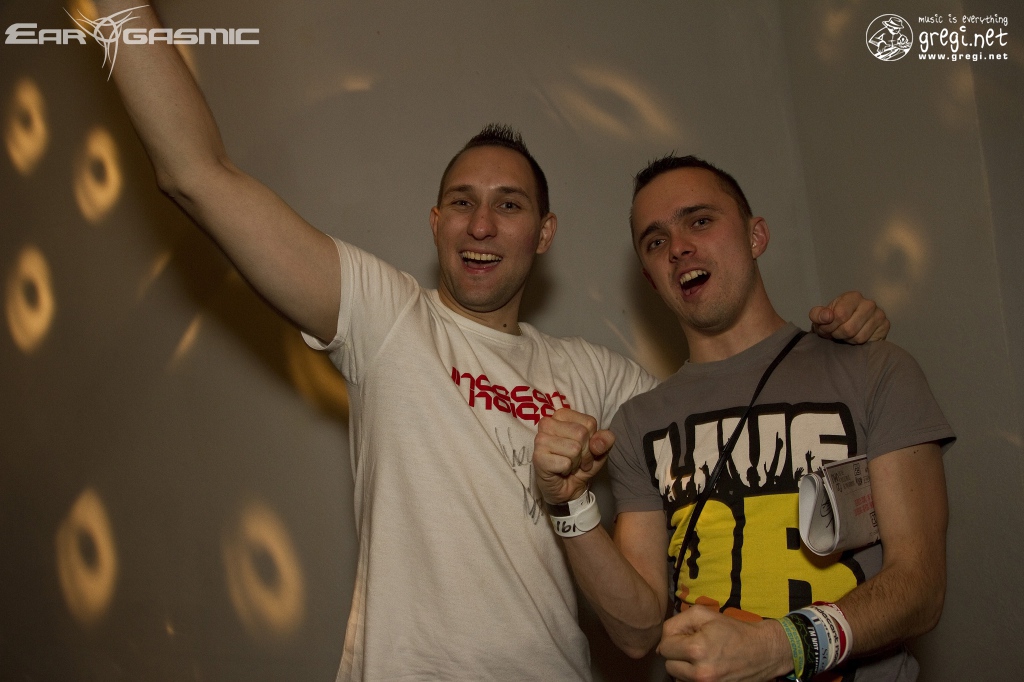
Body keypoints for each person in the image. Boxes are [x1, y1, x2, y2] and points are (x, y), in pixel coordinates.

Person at [95, 1, 891, 678]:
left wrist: (838, 339)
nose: (481, 224)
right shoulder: (385, 317)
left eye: (509, 205)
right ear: (435, 222)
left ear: (544, 233)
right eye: (462, 202)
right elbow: (196, 174)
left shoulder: (597, 375)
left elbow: (734, 406)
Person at [533, 156, 954, 681]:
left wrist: (783, 646)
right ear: (651, 278)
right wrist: (570, 505)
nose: (678, 247)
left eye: (700, 220)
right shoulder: (638, 423)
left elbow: (920, 587)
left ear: (756, 236)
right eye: (656, 241)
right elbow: (637, 632)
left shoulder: (873, 368)